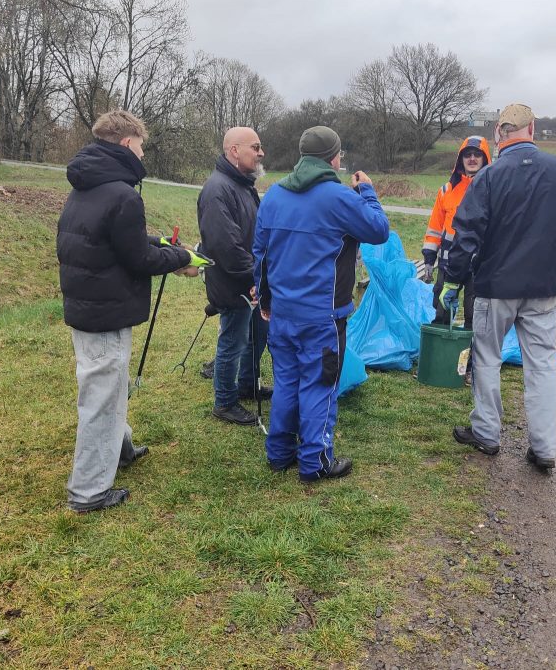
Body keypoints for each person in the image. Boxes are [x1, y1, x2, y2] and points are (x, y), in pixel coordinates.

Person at [441, 104, 556, 469]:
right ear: (533, 130)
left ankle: (487, 433)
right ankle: (543, 449)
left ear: (499, 133)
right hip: (543, 287)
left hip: (494, 287)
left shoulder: (487, 178)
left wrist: (454, 280)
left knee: (487, 359)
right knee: (541, 365)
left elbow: (466, 234)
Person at [57, 110, 208, 513]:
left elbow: (120, 239)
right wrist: (180, 258)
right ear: (127, 143)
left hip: (88, 305)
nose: (142, 155)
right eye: (141, 147)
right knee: (102, 396)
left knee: (111, 383)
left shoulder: (88, 185)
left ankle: (119, 448)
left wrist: (161, 242)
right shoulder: (123, 194)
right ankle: (88, 492)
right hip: (104, 311)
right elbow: (139, 259)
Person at [253, 126, 389, 482]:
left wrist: (264, 298)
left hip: (282, 312)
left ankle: (279, 453)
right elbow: (379, 230)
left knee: (286, 382)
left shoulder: (274, 195)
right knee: (319, 384)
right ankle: (315, 462)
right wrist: (367, 191)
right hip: (323, 316)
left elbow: (260, 254)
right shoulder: (339, 197)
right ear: (334, 158)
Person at [197, 127, 271, 425]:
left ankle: (247, 385)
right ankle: (225, 402)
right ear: (235, 151)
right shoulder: (217, 190)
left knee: (258, 335)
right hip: (234, 282)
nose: (261, 153)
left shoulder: (243, 185)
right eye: (255, 147)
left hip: (252, 280)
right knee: (233, 341)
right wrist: (253, 280)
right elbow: (225, 246)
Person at [421, 135, 491, 332]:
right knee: (441, 311)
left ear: (485, 158)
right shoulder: (446, 190)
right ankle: (440, 349)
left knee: (475, 316)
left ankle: (471, 352)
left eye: (477, 154)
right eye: (467, 154)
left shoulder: (491, 191)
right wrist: (429, 259)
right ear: (460, 159)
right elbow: (435, 227)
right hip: (448, 263)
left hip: (478, 265)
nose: (472, 158)